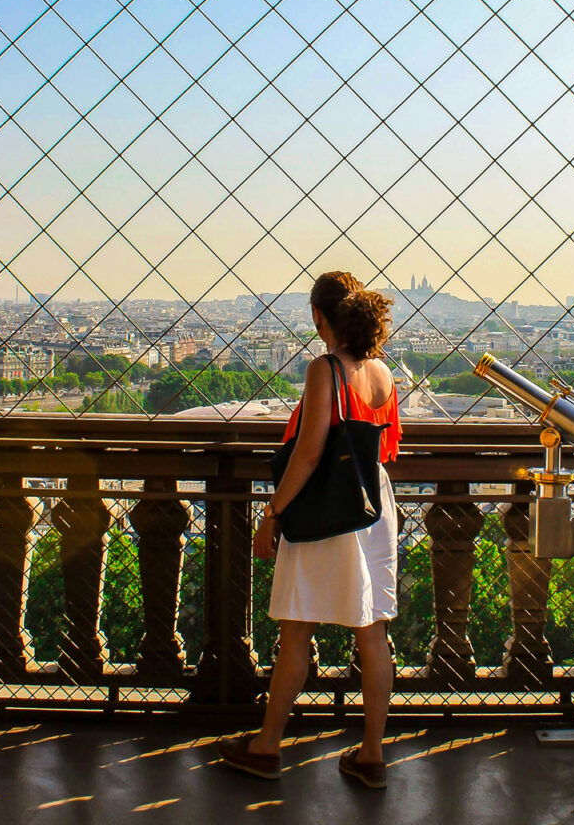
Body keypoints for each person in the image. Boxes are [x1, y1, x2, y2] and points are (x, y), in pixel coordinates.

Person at [216, 271, 402, 789]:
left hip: (329, 508)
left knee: (297, 628)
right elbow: (385, 449)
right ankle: (371, 754)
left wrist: (273, 513)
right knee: (373, 631)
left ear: (321, 318)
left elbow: (311, 450)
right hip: (373, 504)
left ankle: (268, 744)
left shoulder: (325, 369)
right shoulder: (384, 374)